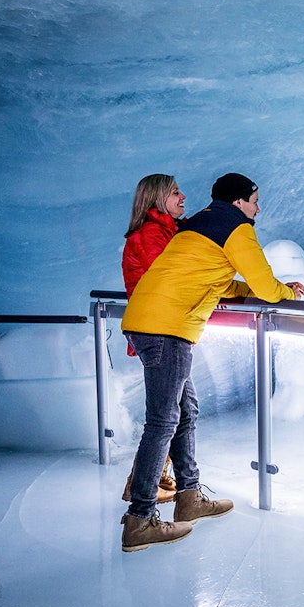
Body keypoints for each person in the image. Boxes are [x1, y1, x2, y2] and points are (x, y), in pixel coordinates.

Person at [119, 172, 304, 552]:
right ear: (238, 202)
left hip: (151, 322)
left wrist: (250, 288)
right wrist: (285, 290)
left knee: (185, 411)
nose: (258, 208)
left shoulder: (197, 226)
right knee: (163, 421)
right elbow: (268, 288)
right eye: (254, 200)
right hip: (167, 329)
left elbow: (217, 281)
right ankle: (139, 520)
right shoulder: (236, 228)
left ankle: (189, 498)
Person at [120, 173, 186, 505]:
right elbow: (170, 280)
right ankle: (142, 495)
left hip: (165, 329)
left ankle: (153, 480)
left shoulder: (165, 232)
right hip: (160, 332)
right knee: (166, 416)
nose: (183, 196)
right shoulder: (151, 235)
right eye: (175, 192)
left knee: (177, 411)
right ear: (157, 198)